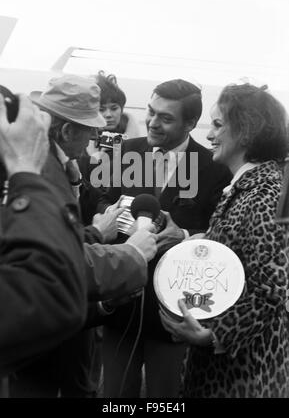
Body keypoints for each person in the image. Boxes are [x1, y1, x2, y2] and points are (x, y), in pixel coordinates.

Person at [9, 75, 157, 398]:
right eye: (90, 128)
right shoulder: (39, 171)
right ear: (66, 131)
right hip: (40, 356)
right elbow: (53, 263)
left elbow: (51, 240)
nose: (97, 134)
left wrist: (93, 232)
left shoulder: (54, 164)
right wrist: (131, 254)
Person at [98, 78, 232, 397]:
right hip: (120, 307)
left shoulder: (214, 168)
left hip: (173, 315)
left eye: (166, 118)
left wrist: (184, 235)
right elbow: (102, 200)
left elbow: (222, 237)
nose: (153, 122)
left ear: (190, 123)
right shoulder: (126, 151)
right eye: (151, 111)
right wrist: (117, 214)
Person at [160, 83, 289, 398]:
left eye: (218, 124)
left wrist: (214, 333)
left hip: (246, 374)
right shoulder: (246, 187)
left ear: (246, 131)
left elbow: (272, 289)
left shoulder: (266, 191)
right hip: (226, 368)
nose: (209, 135)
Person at [0, 92, 88, 390]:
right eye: (90, 133)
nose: (92, 142)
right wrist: (25, 175)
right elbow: (54, 292)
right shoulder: (38, 170)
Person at [79, 71, 141, 224]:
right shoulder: (79, 147)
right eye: (101, 109)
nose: (108, 114)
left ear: (122, 109)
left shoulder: (138, 148)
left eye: (114, 108)